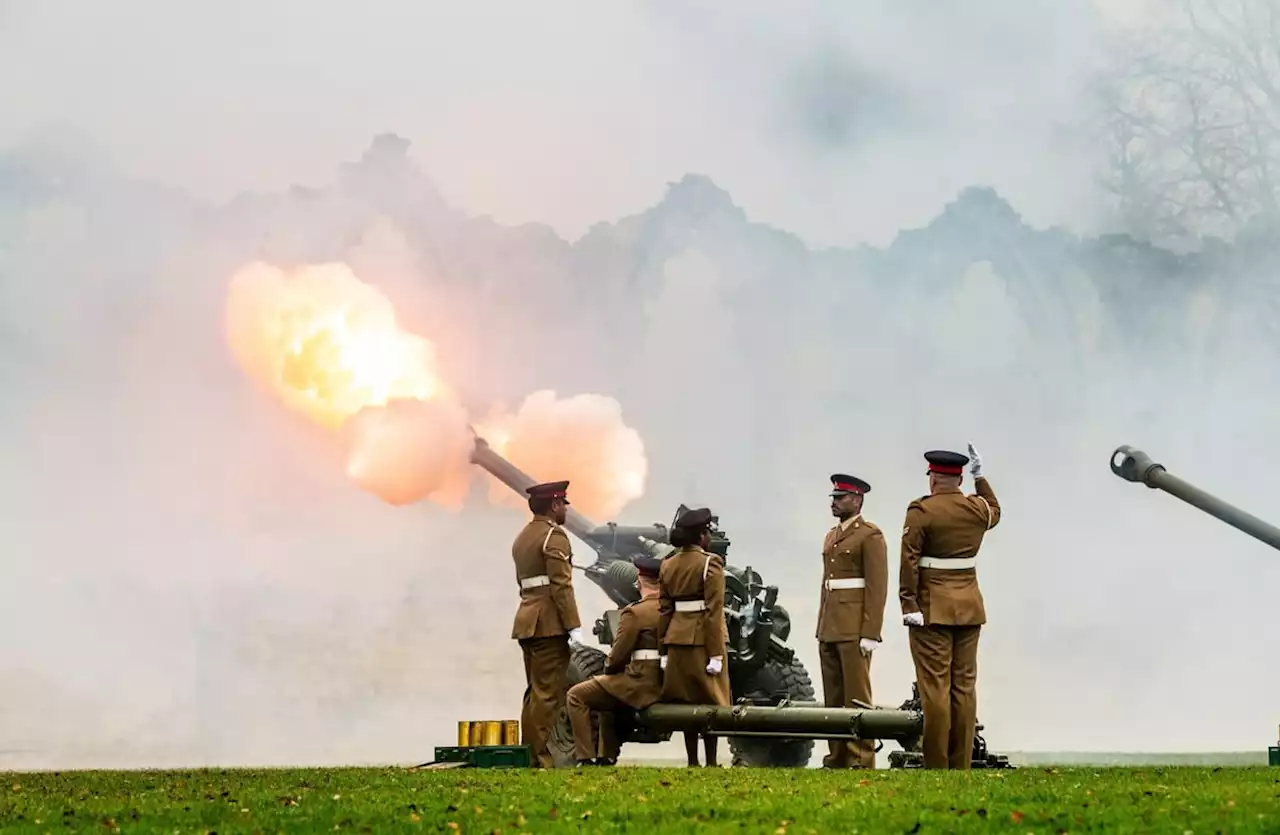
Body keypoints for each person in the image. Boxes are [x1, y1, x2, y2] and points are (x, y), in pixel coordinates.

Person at [898, 443, 1002, 770]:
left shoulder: (922, 511)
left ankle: (937, 764)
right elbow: (995, 509)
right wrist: (980, 476)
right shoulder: (976, 509)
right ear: (958, 479)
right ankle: (961, 765)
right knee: (964, 687)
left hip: (931, 609)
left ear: (933, 478)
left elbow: (909, 560)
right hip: (969, 606)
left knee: (935, 689)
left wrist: (908, 603)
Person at [564, 553, 666, 766]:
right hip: (669, 682)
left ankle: (585, 757)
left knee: (577, 696)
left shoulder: (635, 613)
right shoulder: (673, 610)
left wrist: (609, 669)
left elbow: (618, 656)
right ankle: (607, 754)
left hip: (641, 685)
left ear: (639, 581)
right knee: (609, 692)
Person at [816, 473, 888, 769]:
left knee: (856, 698)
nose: (834, 503)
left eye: (840, 498)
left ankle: (861, 758)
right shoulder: (831, 536)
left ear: (857, 499)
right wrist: (821, 625)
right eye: (833, 497)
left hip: (854, 627)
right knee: (833, 697)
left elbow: (877, 586)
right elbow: (827, 585)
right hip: (830, 625)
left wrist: (871, 632)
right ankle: (837, 756)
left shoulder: (870, 535)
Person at [510, 479, 583, 768]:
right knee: (547, 694)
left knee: (534, 692)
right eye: (563, 503)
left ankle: (530, 754)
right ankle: (538, 759)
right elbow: (561, 586)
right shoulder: (555, 537)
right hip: (548, 623)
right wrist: (573, 625)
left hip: (528, 619)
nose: (566, 509)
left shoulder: (524, 537)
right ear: (554, 505)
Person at [657, 506, 730, 767]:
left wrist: (662, 649)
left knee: (686, 702)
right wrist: (716, 654)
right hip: (702, 641)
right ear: (702, 536)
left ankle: (692, 760)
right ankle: (710, 760)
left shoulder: (667, 565)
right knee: (710, 701)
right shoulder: (711, 564)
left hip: (677, 639)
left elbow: (664, 611)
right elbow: (713, 612)